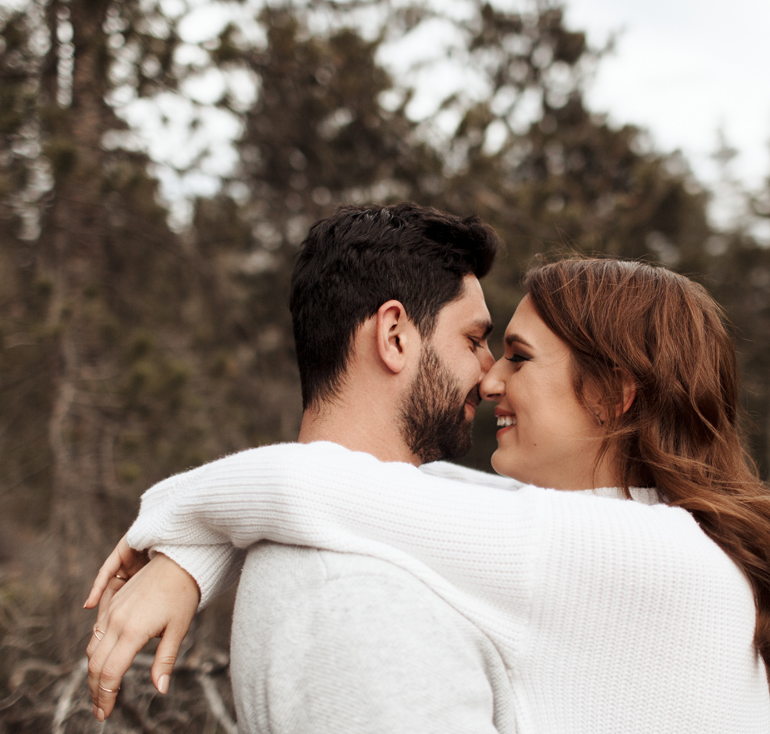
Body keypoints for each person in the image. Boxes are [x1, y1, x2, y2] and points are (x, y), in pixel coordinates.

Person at [89, 257, 770, 733]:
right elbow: (369, 492)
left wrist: (171, 530)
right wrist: (195, 552)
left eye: (519, 356)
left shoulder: (648, 555)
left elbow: (306, 485)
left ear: (613, 393)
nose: (491, 381)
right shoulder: (632, 538)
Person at [86, 202, 519, 732]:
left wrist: (202, 538)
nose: (491, 372)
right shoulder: (360, 602)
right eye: (474, 340)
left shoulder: (368, 554)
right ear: (395, 336)